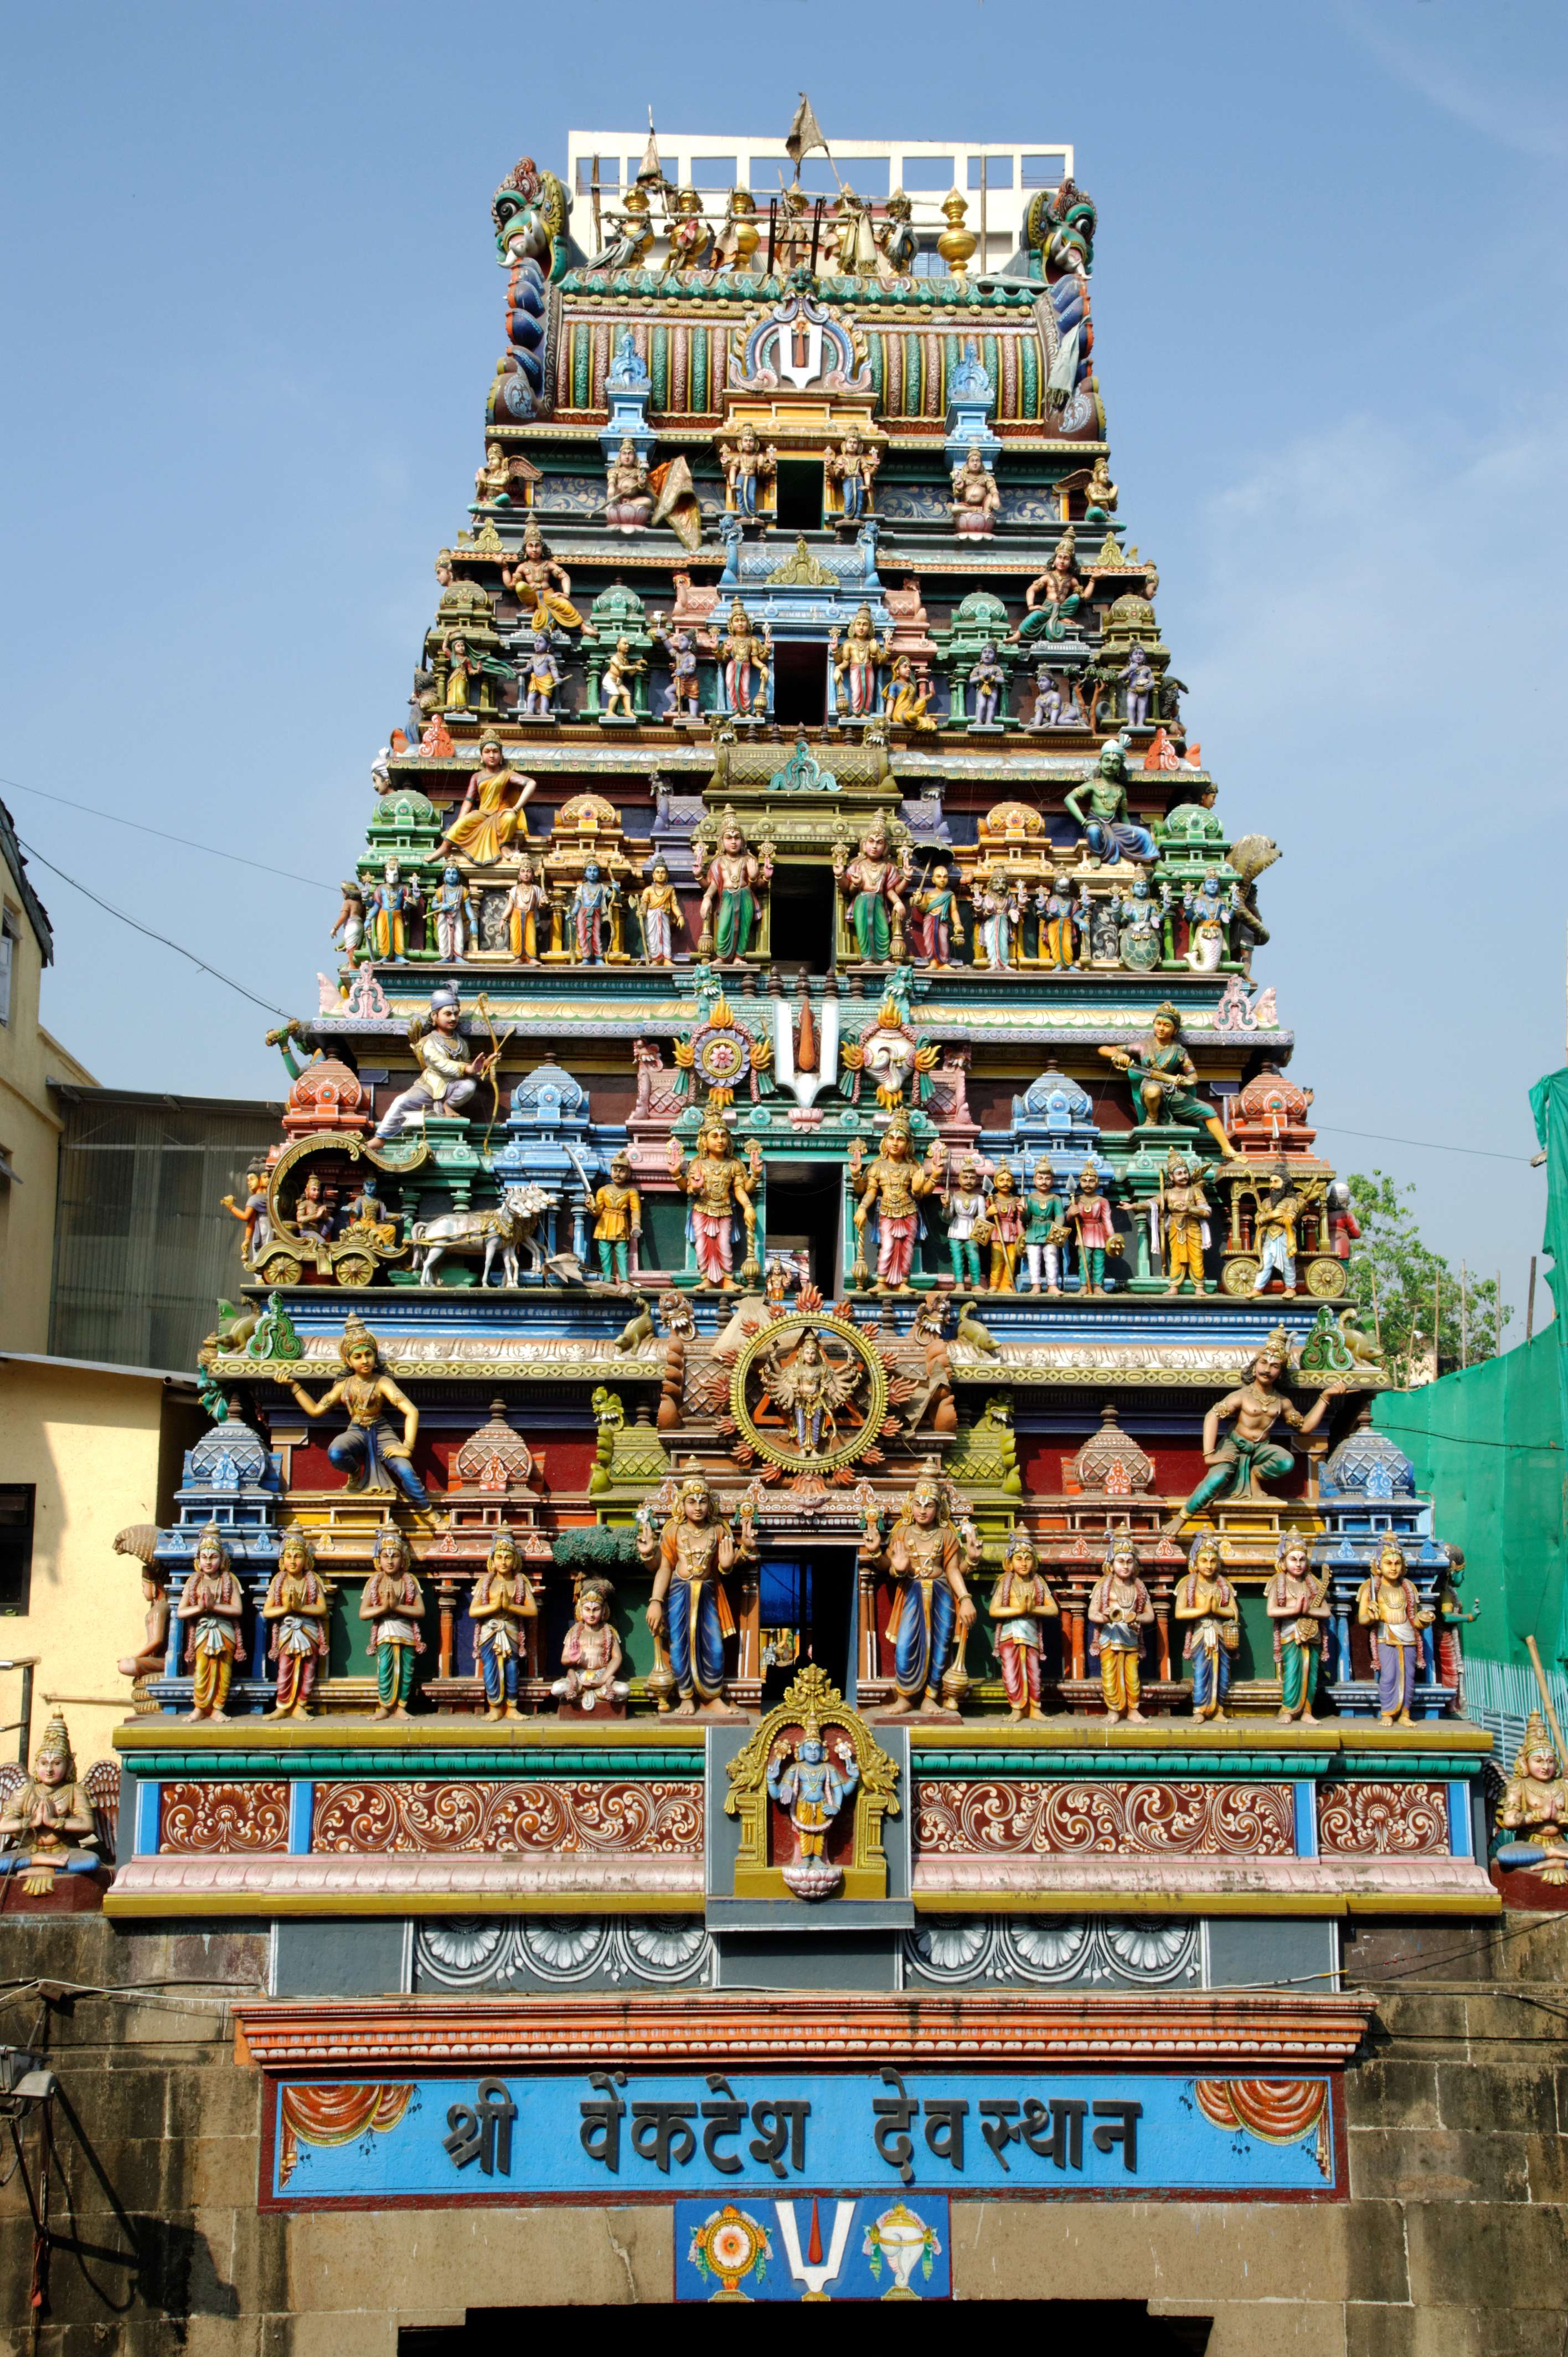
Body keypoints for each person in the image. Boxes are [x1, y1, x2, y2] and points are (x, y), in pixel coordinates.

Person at [1167, 1330, 1344, 1535]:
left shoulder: (1282, 1402)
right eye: (1263, 1363)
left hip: (1260, 1449)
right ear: (1255, 1364)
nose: (1267, 1369)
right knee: (1216, 1479)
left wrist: (1325, 1397)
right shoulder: (1242, 1395)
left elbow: (1304, 1428)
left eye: (1274, 1366)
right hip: (1235, 1444)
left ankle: (1254, 1475)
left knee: (1286, 1461)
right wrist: (1210, 1455)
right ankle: (1181, 1519)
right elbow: (1212, 1416)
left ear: (1281, 1371)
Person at [284, 1314, 434, 1509]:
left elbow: (412, 1412)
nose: (365, 1360)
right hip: (356, 1430)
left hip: (381, 1432)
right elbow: (315, 1411)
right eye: (358, 1356)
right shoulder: (343, 1386)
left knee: (406, 1471)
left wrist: (407, 1447)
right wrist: (294, 1386)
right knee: (336, 1452)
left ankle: (427, 1510)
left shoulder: (382, 1382)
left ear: (375, 1355)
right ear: (348, 1361)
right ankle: (355, 1474)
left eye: (368, 1354)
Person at [639, 1476, 757, 1714]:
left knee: (714, 1647)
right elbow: (664, 1567)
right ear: (682, 1505)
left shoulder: (718, 1529)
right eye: (691, 1501)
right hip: (679, 1594)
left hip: (708, 1594)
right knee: (679, 1646)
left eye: (703, 1501)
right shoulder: (674, 1530)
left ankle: (713, 1697)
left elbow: (725, 1564)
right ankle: (686, 1697)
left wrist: (743, 1549)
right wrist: (655, 1601)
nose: (698, 1506)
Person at [865, 1474, 980, 1715]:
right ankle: (905, 1697)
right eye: (918, 1504)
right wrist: (878, 1554)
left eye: (929, 1505)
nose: (923, 1511)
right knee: (906, 1645)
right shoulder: (902, 1532)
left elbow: (952, 1570)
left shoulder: (946, 1535)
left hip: (942, 1595)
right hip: (911, 1593)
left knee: (939, 1646)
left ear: (939, 1508)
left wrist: (966, 1597)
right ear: (911, 1505)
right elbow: (890, 1567)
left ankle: (931, 1695)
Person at [1099, 1001, 1239, 1161]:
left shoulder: (1179, 1051)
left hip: (1172, 1091)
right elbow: (1103, 1049)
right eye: (1158, 1023)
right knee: (1153, 1091)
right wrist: (1117, 1055)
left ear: (1175, 1030)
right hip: (1150, 1088)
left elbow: (1193, 1075)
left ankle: (1227, 1149)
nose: (1161, 1028)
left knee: (1209, 1112)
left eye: (1167, 1025)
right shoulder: (1142, 1046)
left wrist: (1186, 1081)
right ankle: (1152, 1118)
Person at [372, 985, 500, 1146]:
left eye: (456, 1014)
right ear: (435, 1016)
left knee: (469, 1085)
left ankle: (448, 1105)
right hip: (430, 1085)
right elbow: (441, 1064)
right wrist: (467, 1068)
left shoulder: (462, 1043)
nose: (453, 1018)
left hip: (453, 1085)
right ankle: (380, 1138)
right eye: (448, 1014)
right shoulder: (428, 1042)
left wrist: (485, 1065)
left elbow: (469, 1068)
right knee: (401, 1101)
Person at [1356, 1542, 1434, 1726]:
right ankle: (1387, 1713)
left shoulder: (1407, 1588)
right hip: (1386, 1634)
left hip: (1408, 1635)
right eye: (1388, 1563)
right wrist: (1372, 1615)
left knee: (1408, 1676)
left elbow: (1414, 1619)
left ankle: (1405, 1714)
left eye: (1397, 1563)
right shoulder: (1371, 1589)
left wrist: (1424, 1620)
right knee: (1390, 1675)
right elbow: (1362, 1620)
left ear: (1403, 1566)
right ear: (1379, 1566)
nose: (1393, 1568)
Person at [176, 1523, 245, 1719]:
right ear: (198, 1560)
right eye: (204, 1557)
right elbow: (181, 1611)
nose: (208, 1562)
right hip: (202, 1632)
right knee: (202, 1670)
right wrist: (200, 1608)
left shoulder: (229, 1580)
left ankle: (218, 1708)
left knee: (224, 1670)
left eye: (213, 1557)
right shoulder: (194, 1581)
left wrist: (214, 1607)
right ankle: (199, 1707)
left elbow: (237, 1609)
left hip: (224, 1631)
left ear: (222, 1559)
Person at [435, 733, 536, 864]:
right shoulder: (477, 777)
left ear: (500, 755)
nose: (492, 755)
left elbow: (531, 783)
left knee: (510, 818)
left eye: (495, 751)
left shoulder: (506, 774)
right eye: (487, 752)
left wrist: (515, 809)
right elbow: (468, 801)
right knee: (460, 824)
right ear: (482, 757)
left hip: (501, 813)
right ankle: (445, 847)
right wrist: (459, 820)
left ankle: (504, 845)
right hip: (482, 814)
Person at [988, 1533, 1058, 1721]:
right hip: (1010, 1634)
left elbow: (1053, 1609)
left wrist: (1034, 1609)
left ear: (1034, 1562)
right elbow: (994, 1610)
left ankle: (1035, 1708)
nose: (1024, 1563)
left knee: (1033, 1672)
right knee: (1011, 1672)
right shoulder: (1005, 1582)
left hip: (1031, 1633)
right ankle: (1017, 1708)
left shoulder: (1038, 1582)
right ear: (1010, 1562)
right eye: (1019, 1559)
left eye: (1028, 1559)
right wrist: (1018, 1609)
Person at [261, 1529, 330, 1718]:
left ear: (306, 1560)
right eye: (288, 1556)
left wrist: (300, 1608)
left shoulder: (312, 1580)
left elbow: (322, 1609)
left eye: (298, 1556)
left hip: (308, 1631)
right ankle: (283, 1706)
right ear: (282, 1560)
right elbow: (268, 1611)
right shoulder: (279, 1580)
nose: (293, 1561)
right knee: (285, 1668)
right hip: (286, 1631)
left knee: (308, 1668)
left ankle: (300, 1704)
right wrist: (286, 1609)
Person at [360, 1525, 425, 1719]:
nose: (390, 1561)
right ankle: (385, 1706)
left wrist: (397, 1607)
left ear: (403, 1559)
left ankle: (401, 1706)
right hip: (385, 1630)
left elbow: (420, 1611)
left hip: (406, 1631)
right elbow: (363, 1613)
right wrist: (385, 1608)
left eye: (394, 1556)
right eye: (385, 1556)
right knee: (385, 1667)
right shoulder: (375, 1581)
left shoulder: (409, 1580)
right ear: (378, 1560)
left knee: (406, 1669)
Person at [470, 1533, 537, 1720]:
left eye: (508, 1557)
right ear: (492, 1560)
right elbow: (473, 1611)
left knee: (512, 1668)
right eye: (499, 1557)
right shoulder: (486, 1581)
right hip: (489, 1631)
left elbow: (532, 1611)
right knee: (490, 1667)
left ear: (515, 1560)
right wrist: (495, 1607)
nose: (504, 1562)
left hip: (511, 1629)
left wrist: (509, 1607)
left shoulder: (520, 1581)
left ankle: (512, 1707)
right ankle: (495, 1707)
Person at [1173, 1533, 1239, 1721]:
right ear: (1195, 1562)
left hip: (1220, 1633)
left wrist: (1217, 1609)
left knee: (1223, 1672)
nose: (1209, 1565)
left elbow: (1234, 1612)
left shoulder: (1223, 1584)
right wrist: (1203, 1610)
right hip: (1201, 1633)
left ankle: (1219, 1709)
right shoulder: (1188, 1584)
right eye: (1204, 1560)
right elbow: (1180, 1613)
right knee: (1201, 1671)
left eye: (1212, 1561)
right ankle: (1200, 1710)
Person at [1087, 1542, 1156, 1723]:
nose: (1125, 1566)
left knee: (1132, 1677)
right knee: (1110, 1675)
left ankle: (1133, 1709)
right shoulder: (1103, 1585)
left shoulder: (1138, 1586)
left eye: (1129, 1561)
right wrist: (1104, 1616)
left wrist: (1137, 1618)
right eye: (1120, 1561)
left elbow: (1150, 1615)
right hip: (1109, 1637)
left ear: (1135, 1565)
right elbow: (1092, 1613)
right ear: (1111, 1565)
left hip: (1131, 1636)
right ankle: (1114, 1710)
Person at [1064, 738, 1158, 864]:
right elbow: (1069, 799)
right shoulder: (1092, 785)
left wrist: (1131, 834)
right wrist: (1084, 821)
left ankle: (1155, 859)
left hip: (1114, 825)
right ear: (1100, 762)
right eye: (1107, 761)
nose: (1110, 765)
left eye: (1115, 762)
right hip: (1096, 823)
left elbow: (1124, 816)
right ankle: (1097, 855)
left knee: (1143, 833)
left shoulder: (1121, 790)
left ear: (1120, 766)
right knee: (1093, 832)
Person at [1266, 1538, 1330, 1722]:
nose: (1298, 1564)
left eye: (1302, 1559)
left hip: (1312, 1635)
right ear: (1283, 1562)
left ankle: (1307, 1711)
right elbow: (1271, 1610)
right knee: (1292, 1671)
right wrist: (1294, 1610)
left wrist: (1308, 1610)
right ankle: (1288, 1709)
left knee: (1311, 1672)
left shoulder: (1312, 1583)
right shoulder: (1279, 1582)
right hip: (1290, 1633)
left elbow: (1326, 1611)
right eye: (1293, 1559)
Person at [552, 1577, 628, 1712]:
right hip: (578, 1678)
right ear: (580, 1610)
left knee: (624, 1690)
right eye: (587, 1609)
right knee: (557, 1689)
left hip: (602, 1677)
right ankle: (582, 1691)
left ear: (604, 1610)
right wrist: (572, 1660)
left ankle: (592, 1693)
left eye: (596, 1610)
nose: (592, 1614)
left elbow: (617, 1658)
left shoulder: (609, 1631)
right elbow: (564, 1659)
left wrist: (603, 1680)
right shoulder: (574, 1632)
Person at [590, 1152, 642, 1285]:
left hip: (621, 1225)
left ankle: (625, 1280)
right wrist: (592, 1207)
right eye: (615, 1170)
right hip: (605, 1225)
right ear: (610, 1171)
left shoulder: (631, 1192)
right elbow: (598, 1212)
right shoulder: (603, 1190)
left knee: (621, 1254)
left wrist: (636, 1224)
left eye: (622, 1171)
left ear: (628, 1174)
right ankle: (608, 1280)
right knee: (605, 1255)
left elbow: (635, 1209)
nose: (618, 1174)